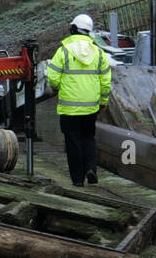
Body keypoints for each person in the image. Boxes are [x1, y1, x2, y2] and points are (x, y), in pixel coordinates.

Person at [45, 13, 112, 187]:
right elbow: (106, 81)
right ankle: (91, 168)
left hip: (69, 108)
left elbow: (52, 76)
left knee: (73, 141)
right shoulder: (98, 52)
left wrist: (56, 87)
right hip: (91, 107)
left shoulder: (64, 51)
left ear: (73, 29)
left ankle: (77, 179)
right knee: (88, 138)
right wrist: (103, 101)